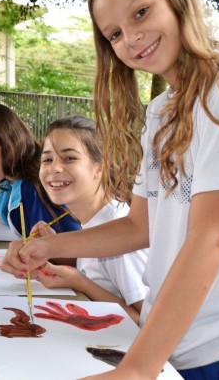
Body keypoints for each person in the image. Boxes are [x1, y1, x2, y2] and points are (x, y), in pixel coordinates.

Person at [1, 0, 219, 378]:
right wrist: (52, 247)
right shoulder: (161, 111)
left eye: (140, 12)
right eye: (114, 33)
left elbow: (210, 238)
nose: (131, 37)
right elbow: (142, 226)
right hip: (171, 340)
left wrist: (136, 370)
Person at [33, 116, 148, 323]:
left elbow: (146, 321)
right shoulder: (91, 221)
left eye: (69, 158)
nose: (54, 168)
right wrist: (59, 251)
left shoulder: (120, 233)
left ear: (99, 168)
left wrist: (81, 283)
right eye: (47, 159)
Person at [0, 103, 80, 237]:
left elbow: (68, 245)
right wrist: (5, 210)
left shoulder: (34, 186)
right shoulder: (9, 179)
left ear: (11, 139)